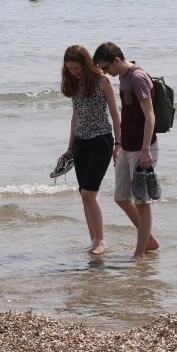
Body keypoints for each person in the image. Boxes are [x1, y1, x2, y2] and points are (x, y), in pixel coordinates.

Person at [92, 42, 160, 259]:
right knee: (121, 197)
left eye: (105, 68)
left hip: (142, 149)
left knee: (142, 201)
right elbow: (126, 115)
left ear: (117, 60)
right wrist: (119, 144)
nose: (105, 73)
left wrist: (145, 150)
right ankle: (148, 239)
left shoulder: (137, 78)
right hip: (127, 147)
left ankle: (139, 253)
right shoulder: (122, 77)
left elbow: (150, 115)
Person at [60, 45, 122, 255]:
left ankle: (100, 241)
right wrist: (70, 147)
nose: (73, 72)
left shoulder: (103, 80)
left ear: (85, 63)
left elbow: (115, 114)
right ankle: (94, 240)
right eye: (69, 69)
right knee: (84, 194)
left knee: (88, 192)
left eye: (76, 68)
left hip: (101, 140)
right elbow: (75, 116)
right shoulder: (74, 84)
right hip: (80, 142)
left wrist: (118, 144)